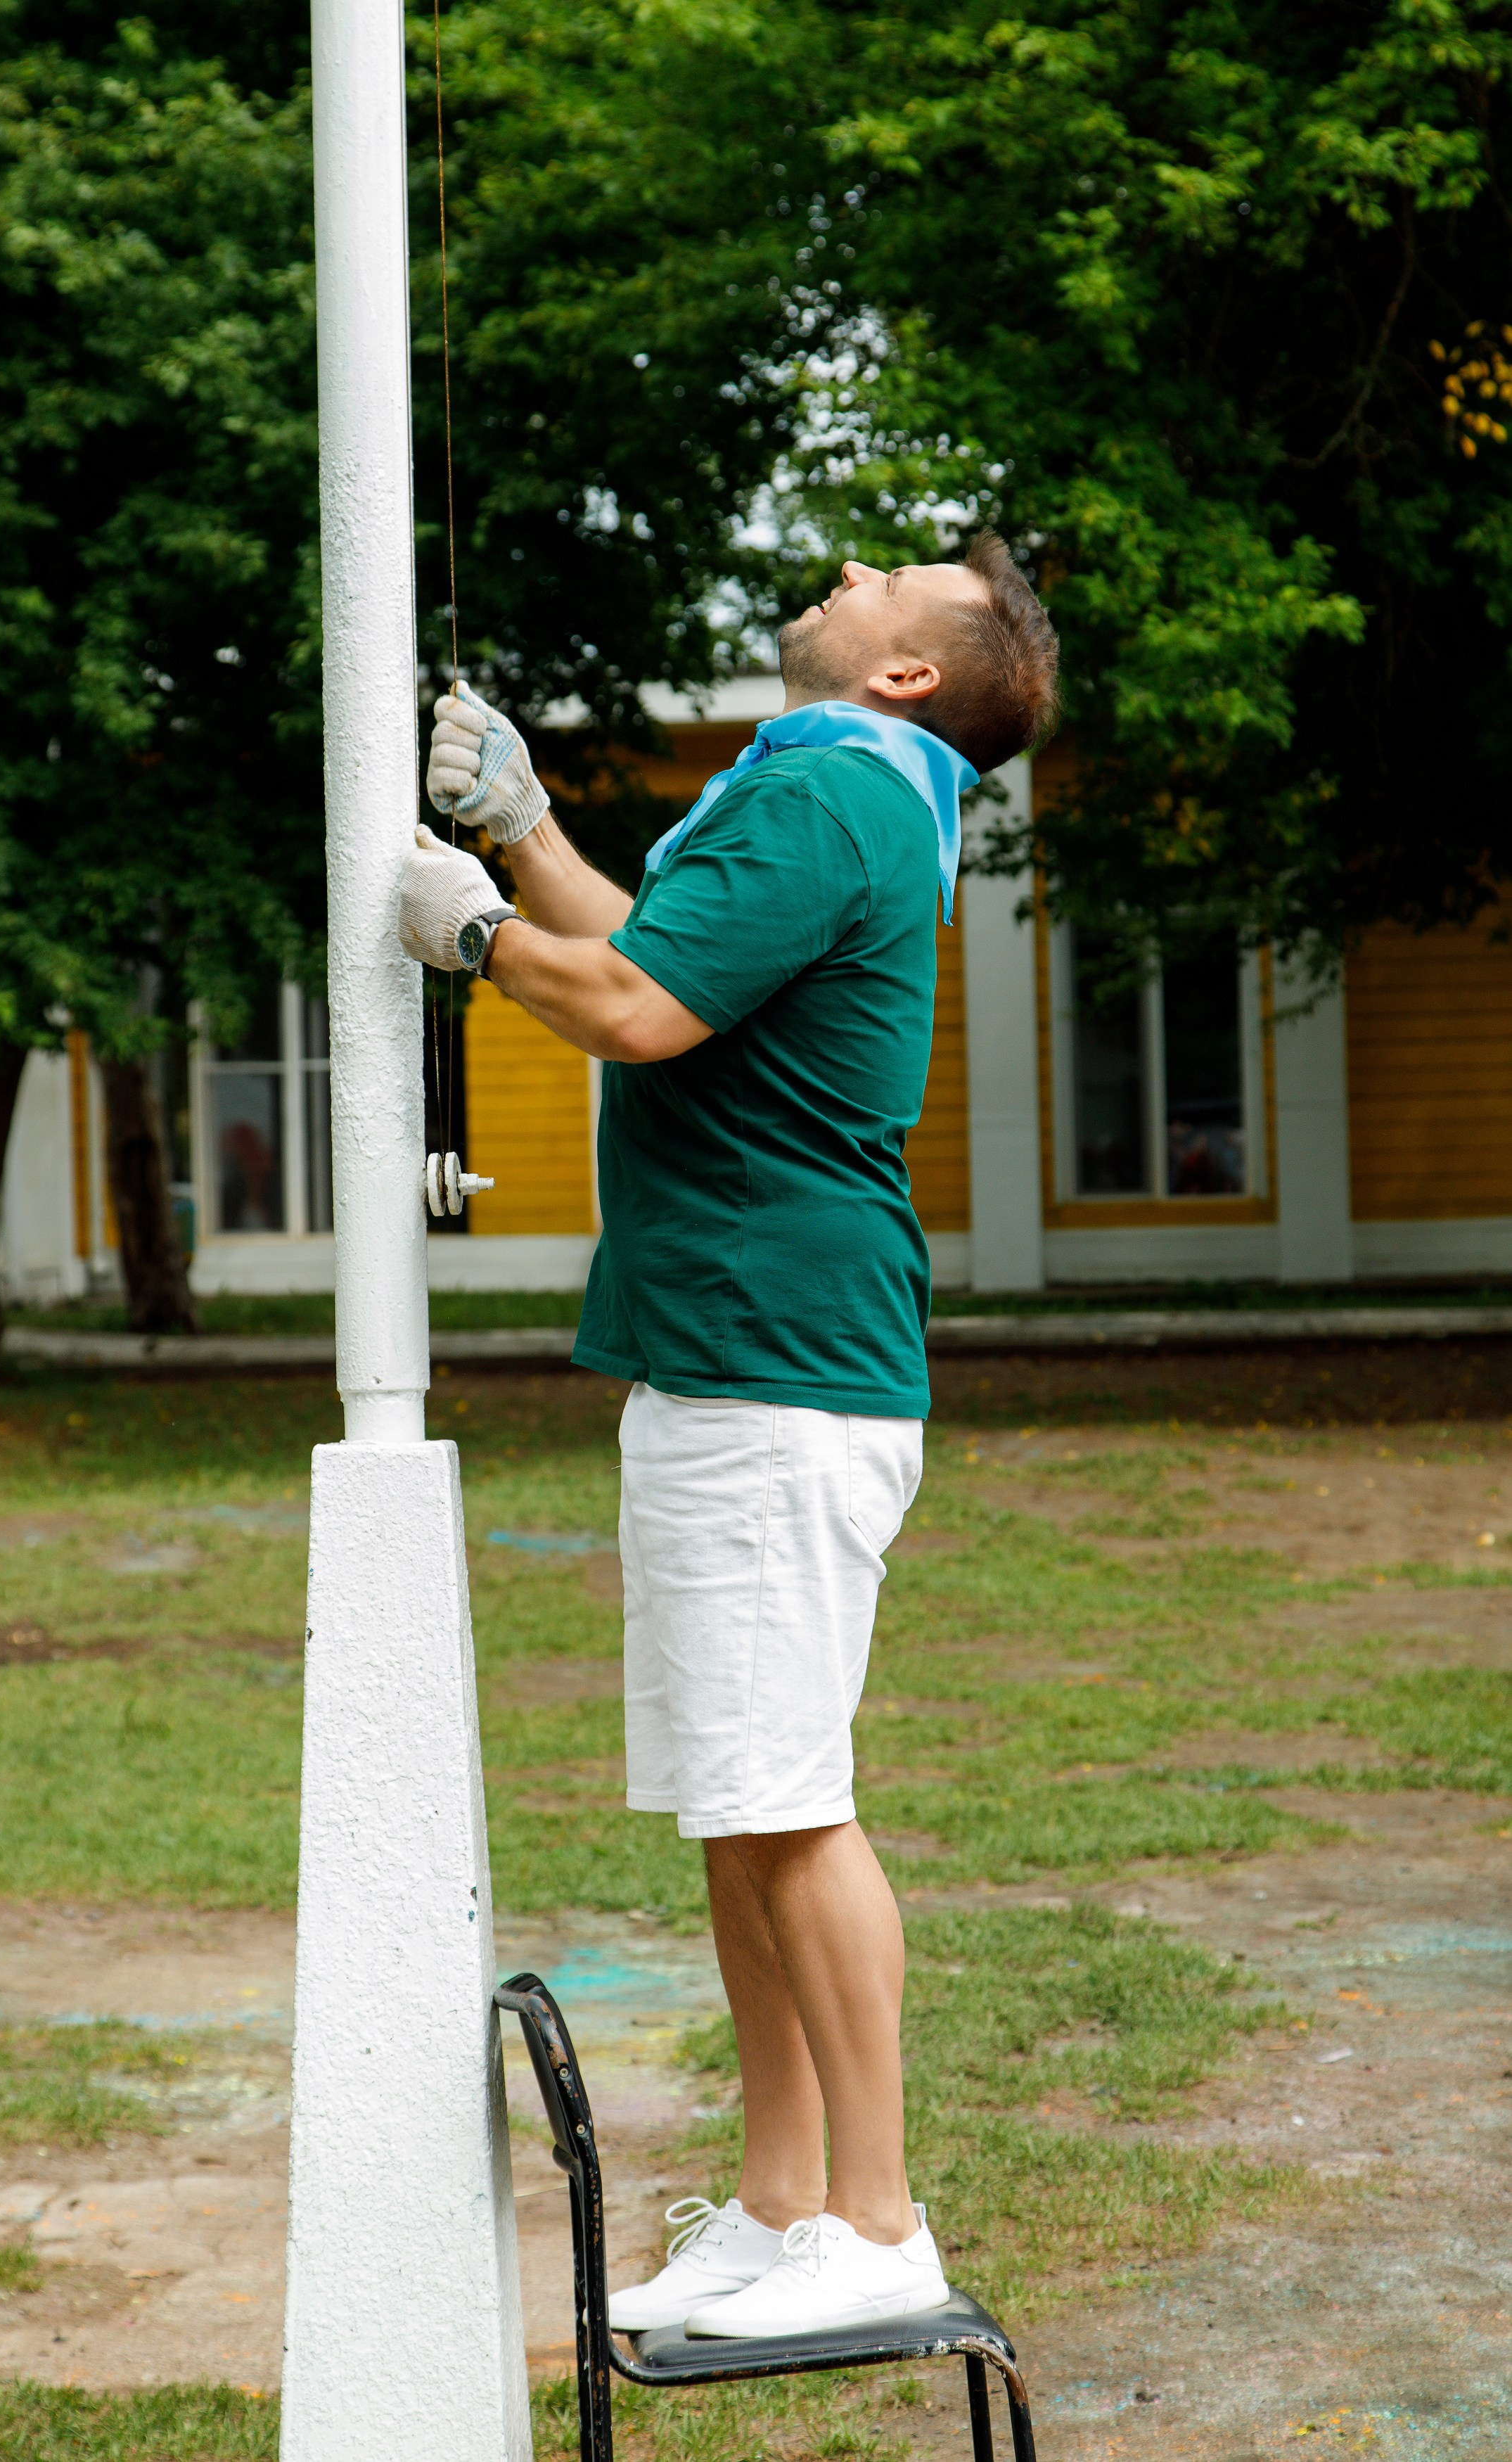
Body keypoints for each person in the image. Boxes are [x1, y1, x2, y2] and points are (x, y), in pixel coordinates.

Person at [399, 537, 1060, 2338]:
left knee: (791, 1805)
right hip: (737, 1363)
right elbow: (662, 959)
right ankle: (781, 2205)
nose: (848, 567)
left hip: (781, 1370)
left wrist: (468, 931)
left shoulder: (836, 792)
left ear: (910, 675)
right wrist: (525, 834)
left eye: (894, 577)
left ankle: (878, 2216)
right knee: (738, 1809)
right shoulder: (828, 792)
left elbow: (626, 1010)